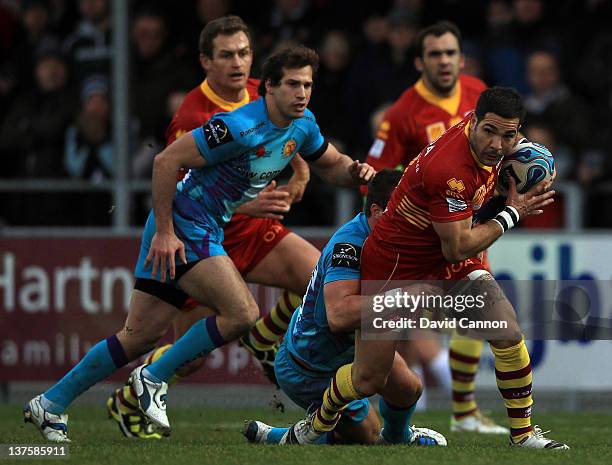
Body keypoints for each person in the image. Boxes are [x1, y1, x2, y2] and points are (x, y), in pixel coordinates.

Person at [23, 44, 375, 442]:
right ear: (270, 88)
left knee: (138, 335)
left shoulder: (303, 124)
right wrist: (166, 233)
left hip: (191, 225)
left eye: (308, 85)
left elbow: (331, 164)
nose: (302, 93)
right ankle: (153, 377)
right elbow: (165, 161)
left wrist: (358, 171)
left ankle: (49, 404)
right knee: (241, 313)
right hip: (188, 224)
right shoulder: (237, 126)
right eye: (293, 84)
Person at [285, 87, 569, 450]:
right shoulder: (449, 170)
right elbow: (457, 248)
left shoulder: (489, 139)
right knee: (368, 378)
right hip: (396, 263)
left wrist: (530, 163)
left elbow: (456, 248)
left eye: (508, 135)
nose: (498, 145)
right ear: (473, 122)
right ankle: (314, 427)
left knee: (507, 331)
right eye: (490, 131)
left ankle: (523, 434)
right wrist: (512, 212)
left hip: (445, 252)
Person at [106, 15, 321, 439]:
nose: (237, 63)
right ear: (206, 61)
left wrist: (300, 171)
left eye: (243, 53)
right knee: (192, 357)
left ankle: (264, 338)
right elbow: (180, 181)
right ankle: (128, 399)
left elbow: (289, 133)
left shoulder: (268, 91)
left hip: (252, 235)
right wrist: (252, 202)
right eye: (226, 55)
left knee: (319, 277)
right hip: (205, 237)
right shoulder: (193, 115)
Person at [365, 20, 504, 433]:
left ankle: (463, 412)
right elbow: (375, 173)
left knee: (476, 313)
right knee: (400, 323)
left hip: (463, 228)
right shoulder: (402, 113)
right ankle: (388, 402)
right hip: (416, 238)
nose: (443, 61)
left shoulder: (480, 94)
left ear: (461, 59)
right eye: (434, 54)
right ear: (419, 62)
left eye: (449, 53)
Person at [243, 169, 446, 446]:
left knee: (409, 389)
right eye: (404, 213)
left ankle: (398, 439)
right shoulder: (349, 245)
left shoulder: (395, 240)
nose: (413, 222)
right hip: (309, 365)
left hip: (352, 348)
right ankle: (281, 437)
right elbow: (339, 316)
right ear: (377, 211)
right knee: (367, 435)